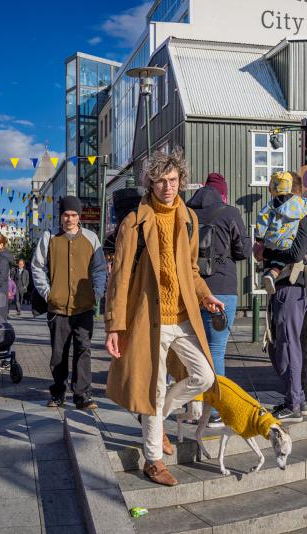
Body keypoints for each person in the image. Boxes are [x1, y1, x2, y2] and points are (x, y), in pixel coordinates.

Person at [105, 149, 222, 487]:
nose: (167, 187)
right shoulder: (134, 222)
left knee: (204, 377)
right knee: (153, 387)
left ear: (181, 181)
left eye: (172, 180)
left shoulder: (189, 219)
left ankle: (153, 421)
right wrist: (114, 324)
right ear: (150, 184)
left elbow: (192, 269)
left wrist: (205, 295)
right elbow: (120, 277)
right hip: (149, 318)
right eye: (160, 181)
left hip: (183, 315)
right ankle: (153, 460)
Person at [32, 196, 107, 410]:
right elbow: (37, 266)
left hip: (84, 306)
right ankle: (58, 393)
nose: (70, 219)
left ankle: (82, 395)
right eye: (66, 215)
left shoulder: (91, 238)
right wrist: (48, 293)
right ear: (60, 216)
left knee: (84, 350)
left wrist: (96, 293)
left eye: (74, 215)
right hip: (58, 307)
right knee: (59, 353)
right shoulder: (49, 237)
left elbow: (100, 268)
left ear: (79, 216)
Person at [258, 176, 307, 423]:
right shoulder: (288, 217)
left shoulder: (305, 216)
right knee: (278, 345)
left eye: (278, 195)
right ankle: (298, 399)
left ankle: (293, 403)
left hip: (293, 286)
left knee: (287, 344)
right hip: (285, 287)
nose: (276, 200)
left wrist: (267, 251)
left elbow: (296, 253)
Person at [186, 172, 251, 380]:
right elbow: (244, 251)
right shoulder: (229, 213)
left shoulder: (184, 213)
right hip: (222, 286)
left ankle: (191, 398)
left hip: (189, 287)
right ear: (223, 194)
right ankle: (215, 400)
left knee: (189, 350)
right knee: (215, 349)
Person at [253, 172, 307, 294]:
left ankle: (272, 274)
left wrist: (261, 244)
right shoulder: (301, 207)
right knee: (280, 258)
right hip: (286, 280)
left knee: (279, 258)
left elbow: (295, 255)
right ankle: (272, 274)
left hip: (291, 285)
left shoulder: (272, 206)